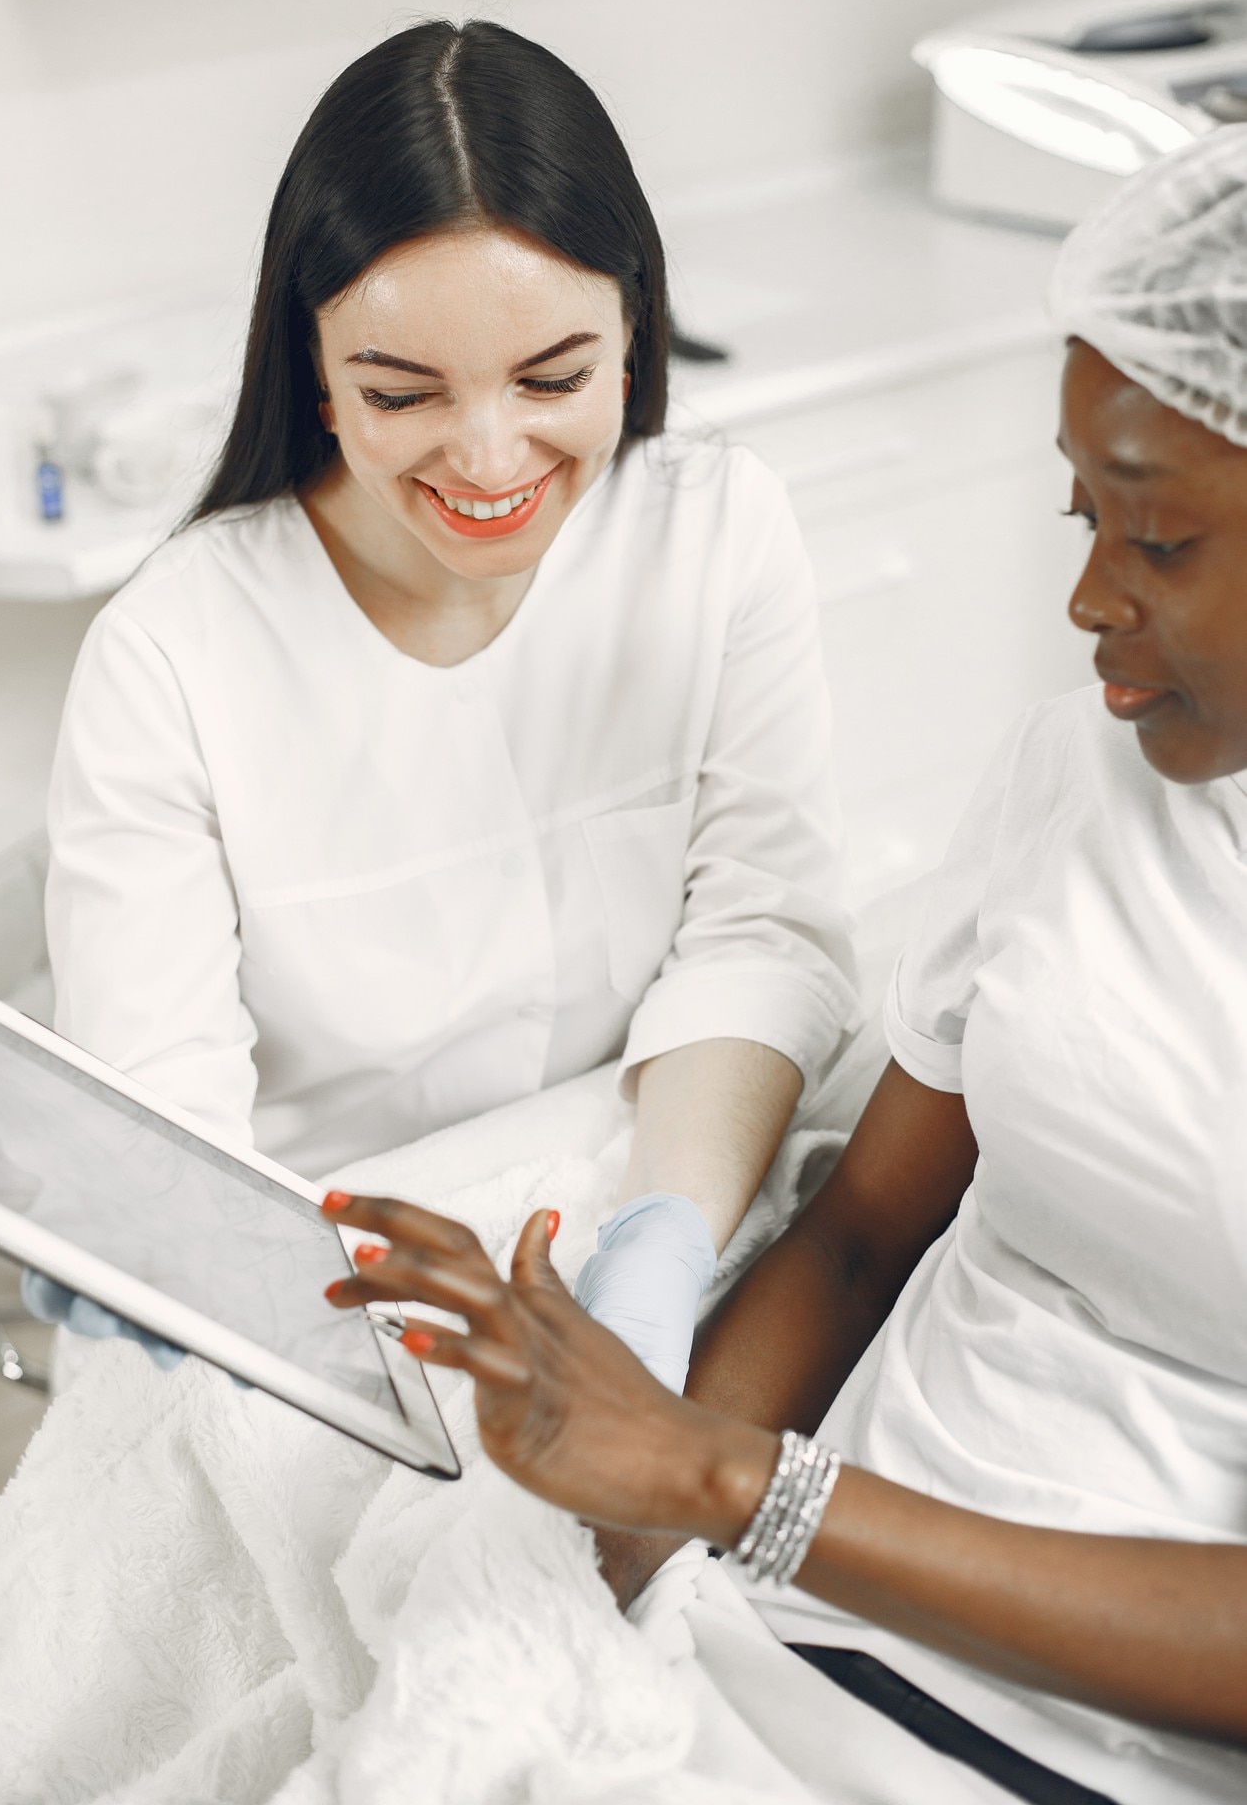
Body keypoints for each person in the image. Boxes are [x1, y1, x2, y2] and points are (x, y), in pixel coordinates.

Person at [318, 124, 1247, 1805]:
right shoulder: (1076, 774)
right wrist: (599, 1552)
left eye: (1157, 541)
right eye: (1077, 513)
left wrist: (729, 1483)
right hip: (750, 1630)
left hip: (1064, 1751)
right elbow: (862, 1231)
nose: (1084, 601)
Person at [39, 19, 859, 1392]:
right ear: (315, 371)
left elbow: (760, 929)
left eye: (554, 378)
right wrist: (169, 1244)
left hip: (662, 1170)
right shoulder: (172, 655)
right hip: (342, 1274)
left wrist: (659, 1244)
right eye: (400, 392)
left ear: (635, 332)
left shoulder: (716, 531)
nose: (488, 459)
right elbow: (167, 1110)